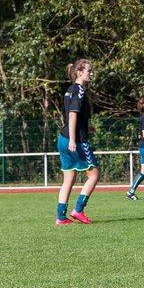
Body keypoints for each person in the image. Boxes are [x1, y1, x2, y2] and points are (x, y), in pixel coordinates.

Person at [56, 59, 100, 224]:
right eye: (89, 70)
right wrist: (74, 139)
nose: (91, 73)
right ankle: (78, 210)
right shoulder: (79, 91)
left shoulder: (70, 90)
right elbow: (72, 114)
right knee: (94, 175)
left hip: (63, 137)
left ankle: (61, 217)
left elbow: (72, 117)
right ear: (79, 72)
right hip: (74, 140)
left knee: (69, 179)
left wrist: (87, 128)